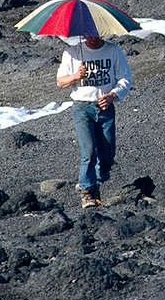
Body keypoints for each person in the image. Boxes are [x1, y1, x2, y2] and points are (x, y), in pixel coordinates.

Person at [56, 35, 132, 208]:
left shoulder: (113, 50)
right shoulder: (72, 52)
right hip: (82, 108)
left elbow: (125, 78)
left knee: (107, 154)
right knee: (88, 152)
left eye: (95, 33)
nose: (92, 37)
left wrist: (113, 95)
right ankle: (87, 191)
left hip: (105, 107)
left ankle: (95, 179)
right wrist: (76, 76)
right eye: (88, 34)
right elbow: (60, 82)